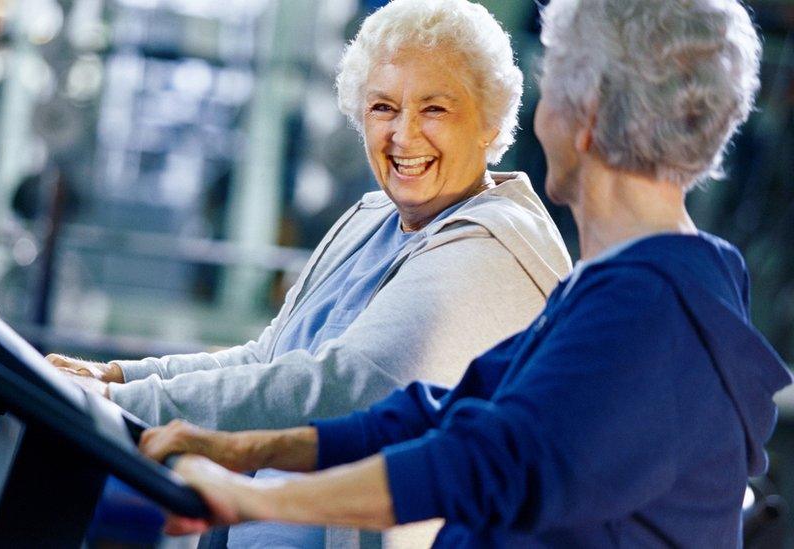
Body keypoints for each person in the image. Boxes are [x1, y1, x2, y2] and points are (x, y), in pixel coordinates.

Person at [137, 0, 794, 545]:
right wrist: (250, 449)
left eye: (550, 84)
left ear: (585, 115)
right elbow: (437, 414)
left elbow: (483, 461)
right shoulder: (665, 283)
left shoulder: (644, 306)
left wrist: (259, 502)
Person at [50, 0, 571, 545]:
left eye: (435, 109)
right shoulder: (371, 217)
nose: (404, 135)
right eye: (383, 108)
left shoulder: (493, 245)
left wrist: (123, 406)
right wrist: (115, 377)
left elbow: (341, 389)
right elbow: (268, 357)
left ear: (489, 121)